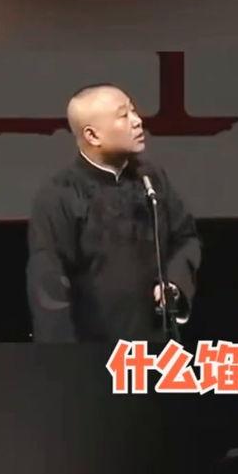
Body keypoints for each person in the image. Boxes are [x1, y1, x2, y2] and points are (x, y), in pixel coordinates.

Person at [27, 84, 201, 344]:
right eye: (123, 115)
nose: (137, 121)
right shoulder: (60, 195)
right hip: (91, 349)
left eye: (134, 111)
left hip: (155, 345)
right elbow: (49, 282)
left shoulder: (151, 178)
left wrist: (174, 285)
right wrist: (62, 358)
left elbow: (185, 238)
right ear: (92, 135)